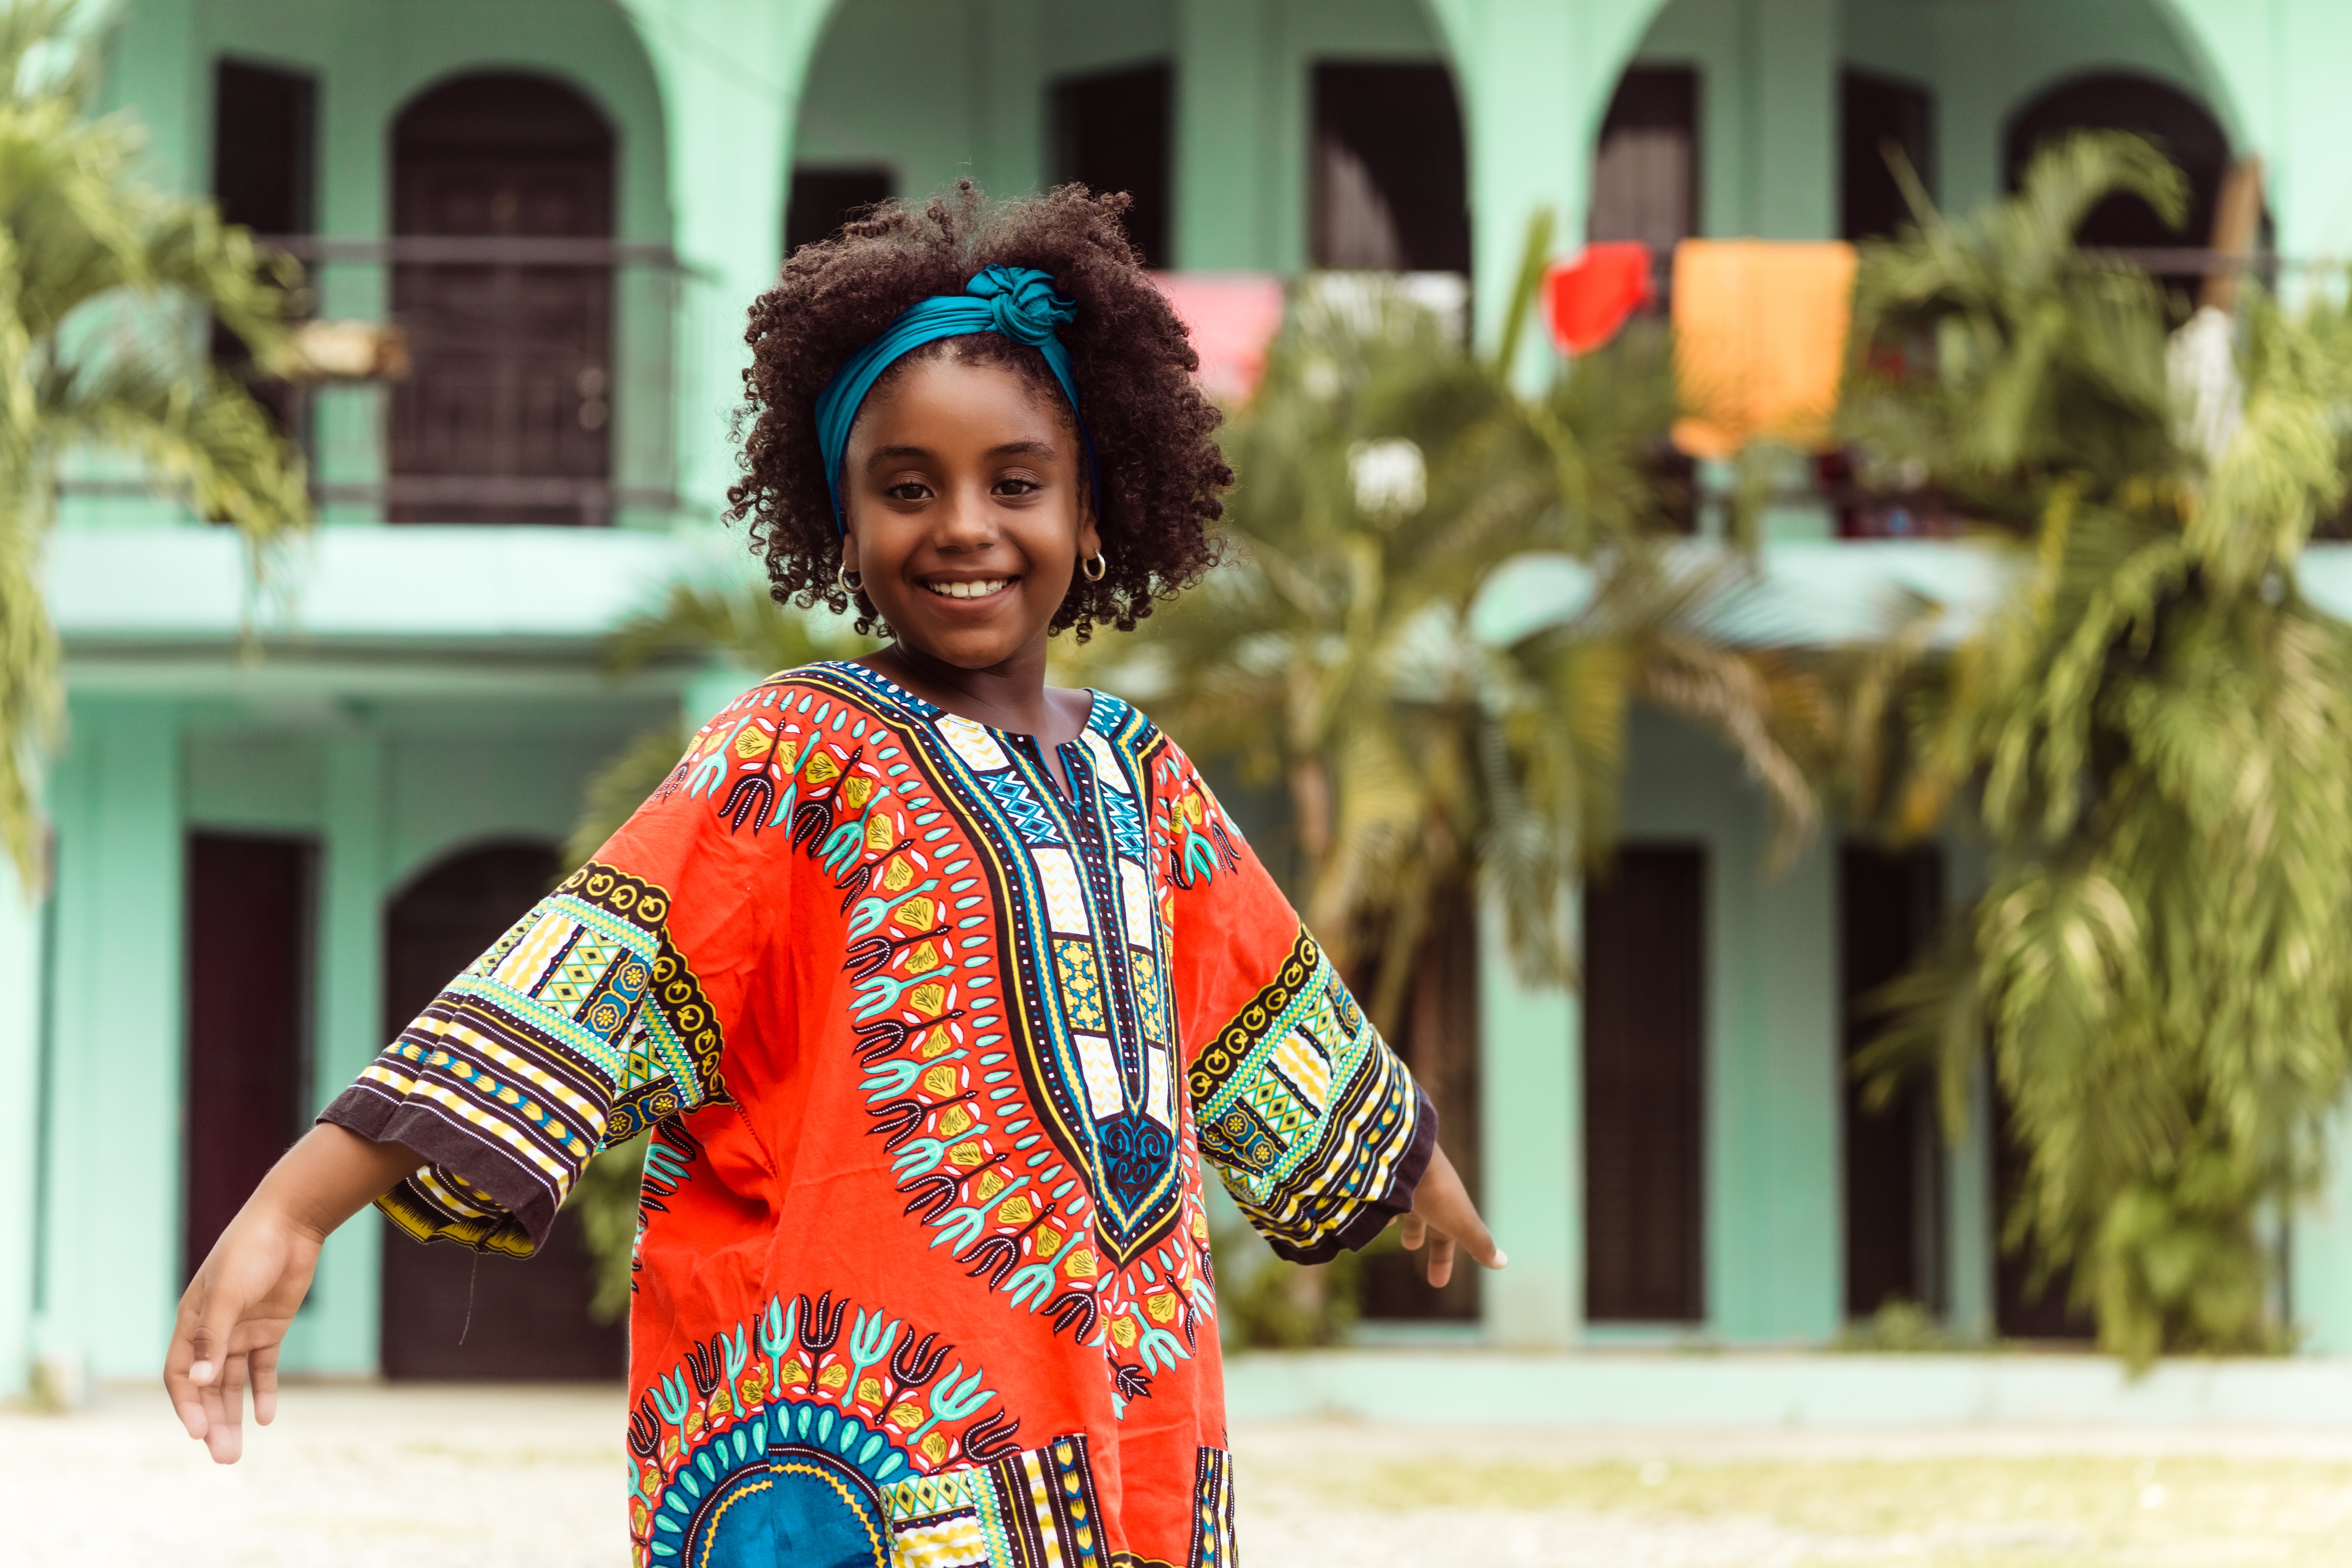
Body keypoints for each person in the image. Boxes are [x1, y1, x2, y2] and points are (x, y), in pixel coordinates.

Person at [165, 183, 1502, 1568]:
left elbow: (1264, 1007)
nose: (965, 525)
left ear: (1095, 513)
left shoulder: (1143, 774)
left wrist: (1406, 1157)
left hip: (1128, 1436)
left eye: (1018, 482)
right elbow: (583, 979)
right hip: (855, 1460)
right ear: (843, 527)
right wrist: (296, 1201)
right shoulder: (792, 754)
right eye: (907, 488)